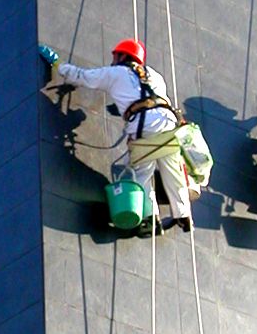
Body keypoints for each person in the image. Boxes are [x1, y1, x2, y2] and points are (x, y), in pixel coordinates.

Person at [47, 39, 193, 232]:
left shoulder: (115, 73)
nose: (113, 59)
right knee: (172, 167)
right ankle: (183, 214)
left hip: (145, 126)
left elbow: (82, 77)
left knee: (140, 170)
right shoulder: (155, 75)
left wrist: (58, 65)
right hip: (169, 125)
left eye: (116, 55)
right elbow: (146, 97)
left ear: (124, 56)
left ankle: (149, 218)